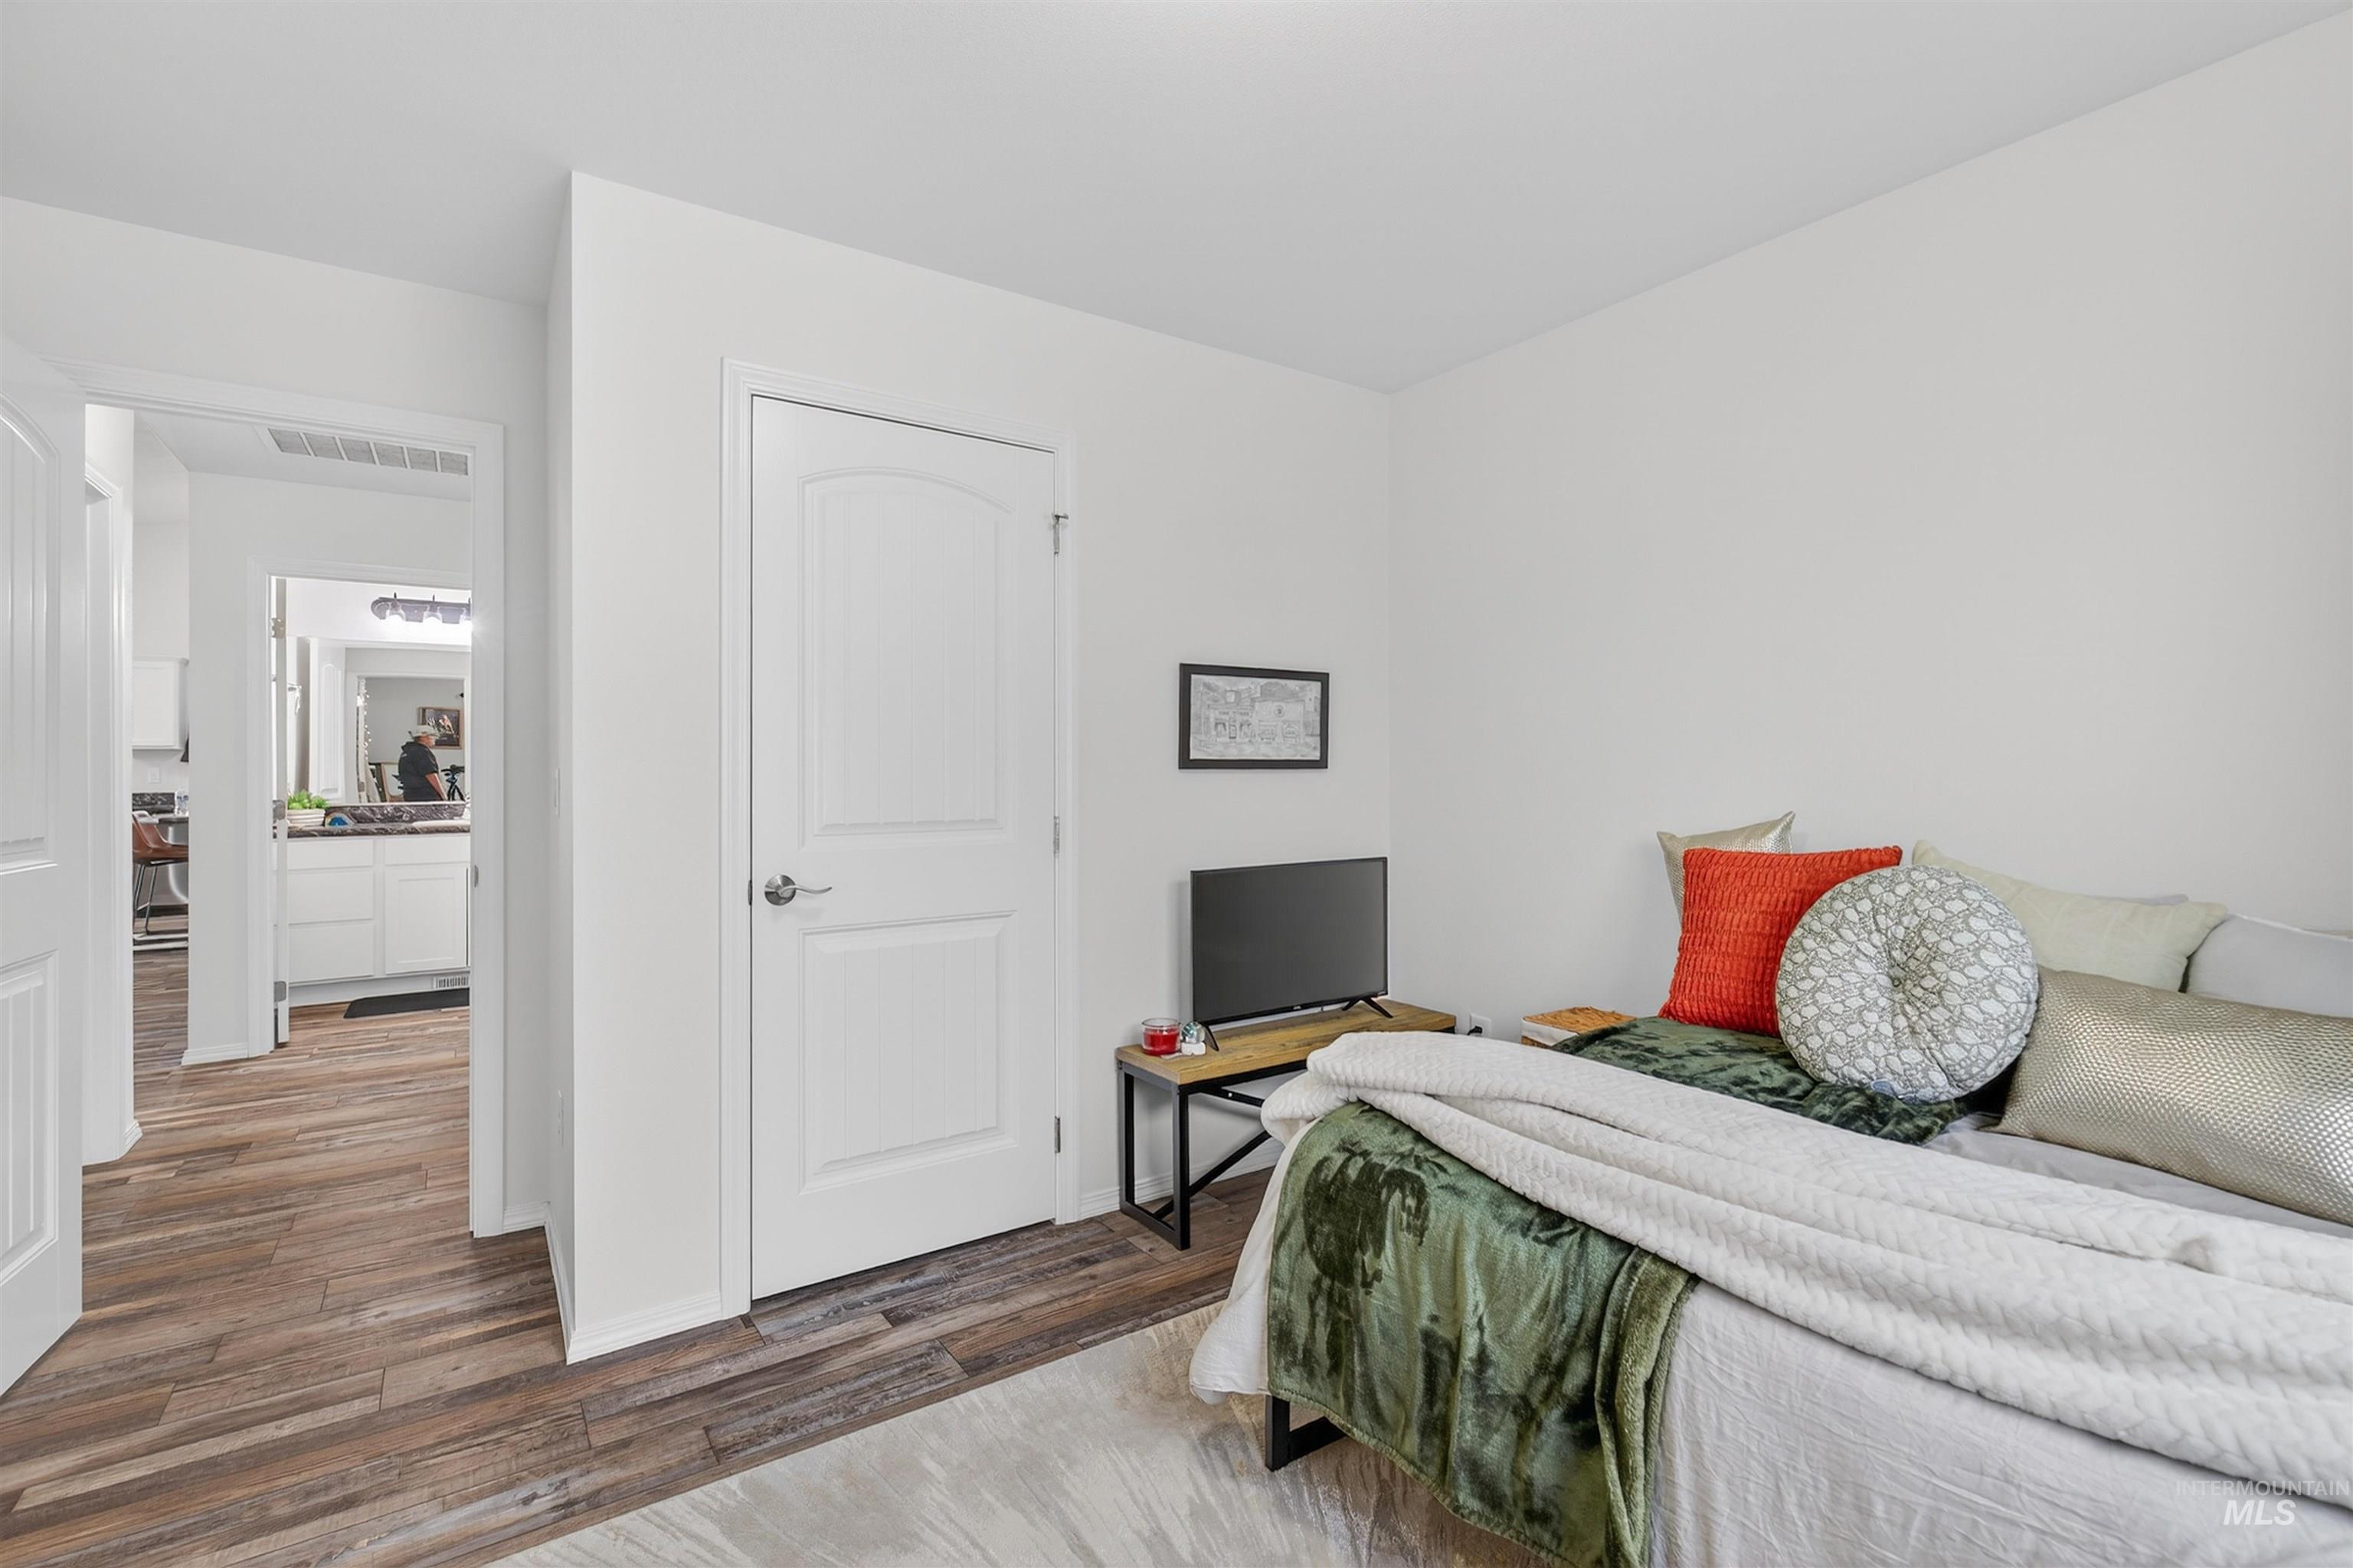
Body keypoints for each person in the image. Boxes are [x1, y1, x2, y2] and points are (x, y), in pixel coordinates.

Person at [397, 728, 445, 801]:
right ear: (424, 738)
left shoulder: (406, 752)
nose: (434, 739)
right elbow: (431, 775)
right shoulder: (422, 752)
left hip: (410, 795)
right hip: (426, 796)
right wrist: (443, 795)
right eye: (432, 736)